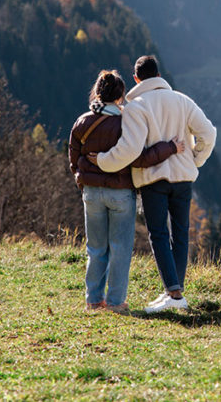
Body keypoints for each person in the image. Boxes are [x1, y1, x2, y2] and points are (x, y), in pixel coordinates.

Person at [88, 55, 216, 313]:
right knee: (181, 234)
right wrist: (195, 159)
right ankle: (174, 292)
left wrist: (102, 161)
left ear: (136, 79)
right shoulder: (183, 100)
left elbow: (129, 150)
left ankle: (174, 294)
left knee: (159, 234)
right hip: (183, 178)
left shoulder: (136, 107)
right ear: (159, 75)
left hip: (153, 180)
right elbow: (209, 133)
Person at [69, 69, 183, 314]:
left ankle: (93, 301)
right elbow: (139, 158)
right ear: (121, 94)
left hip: (91, 192)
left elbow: (73, 157)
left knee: (96, 248)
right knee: (120, 248)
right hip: (120, 192)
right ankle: (115, 302)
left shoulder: (82, 121)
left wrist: (83, 180)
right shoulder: (125, 122)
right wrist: (169, 148)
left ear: (97, 92)